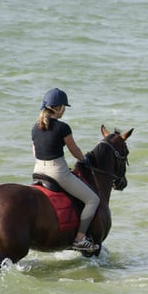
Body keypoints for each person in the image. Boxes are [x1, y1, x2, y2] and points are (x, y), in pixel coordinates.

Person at [31, 88, 100, 252]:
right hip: (57, 172)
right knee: (93, 200)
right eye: (64, 107)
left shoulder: (35, 127)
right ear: (59, 108)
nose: (64, 111)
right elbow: (74, 150)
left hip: (38, 170)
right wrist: (84, 159)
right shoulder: (63, 127)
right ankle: (79, 239)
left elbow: (35, 151)